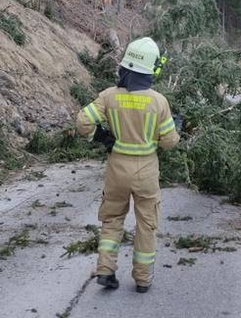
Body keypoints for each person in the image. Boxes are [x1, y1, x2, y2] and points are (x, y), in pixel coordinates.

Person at [76, 37, 180, 293]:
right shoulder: (158, 101)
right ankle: (143, 278)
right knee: (146, 223)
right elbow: (169, 142)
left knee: (112, 219)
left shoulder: (109, 96)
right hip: (146, 170)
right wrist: (173, 128)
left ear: (125, 67)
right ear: (151, 69)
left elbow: (82, 122)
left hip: (117, 169)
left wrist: (103, 138)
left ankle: (105, 271)